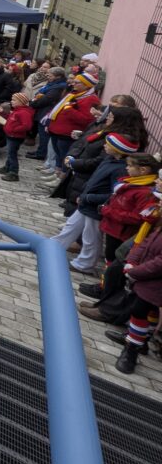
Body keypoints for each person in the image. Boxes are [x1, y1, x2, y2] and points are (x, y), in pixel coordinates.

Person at [52, 133, 139, 274]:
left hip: (96, 207)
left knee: (90, 236)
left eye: (108, 145)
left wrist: (90, 198)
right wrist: (83, 194)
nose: (104, 146)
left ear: (118, 150)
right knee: (71, 226)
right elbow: (95, 179)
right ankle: (54, 246)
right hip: (86, 201)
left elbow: (114, 194)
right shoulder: (109, 159)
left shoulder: (121, 169)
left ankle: (85, 264)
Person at [112, 174, 162, 374]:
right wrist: (132, 260)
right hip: (147, 277)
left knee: (141, 310)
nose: (157, 182)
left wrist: (137, 271)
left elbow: (160, 263)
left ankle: (131, 349)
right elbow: (149, 241)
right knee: (143, 310)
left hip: (155, 281)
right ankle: (138, 339)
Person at [98, 152, 160, 264]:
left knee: (114, 258)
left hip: (122, 233)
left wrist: (107, 211)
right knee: (109, 257)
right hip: (114, 228)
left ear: (143, 170)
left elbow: (137, 218)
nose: (127, 168)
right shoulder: (130, 182)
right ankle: (104, 281)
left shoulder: (145, 192)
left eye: (130, 165)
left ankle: (107, 281)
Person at [47, 72, 101, 171]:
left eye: (77, 83)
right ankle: (56, 172)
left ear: (86, 85)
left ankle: (61, 176)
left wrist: (69, 110)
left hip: (67, 134)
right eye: (74, 82)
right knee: (58, 154)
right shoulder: (74, 94)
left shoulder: (90, 99)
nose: (73, 84)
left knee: (64, 156)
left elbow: (86, 120)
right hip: (57, 130)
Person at [0, 93, 34, 182]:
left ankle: (14, 173)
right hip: (11, 135)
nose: (12, 102)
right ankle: (7, 167)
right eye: (12, 99)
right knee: (10, 153)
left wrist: (14, 129)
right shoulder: (17, 110)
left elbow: (27, 126)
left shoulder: (23, 112)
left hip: (15, 136)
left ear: (21, 102)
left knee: (12, 155)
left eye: (14, 100)